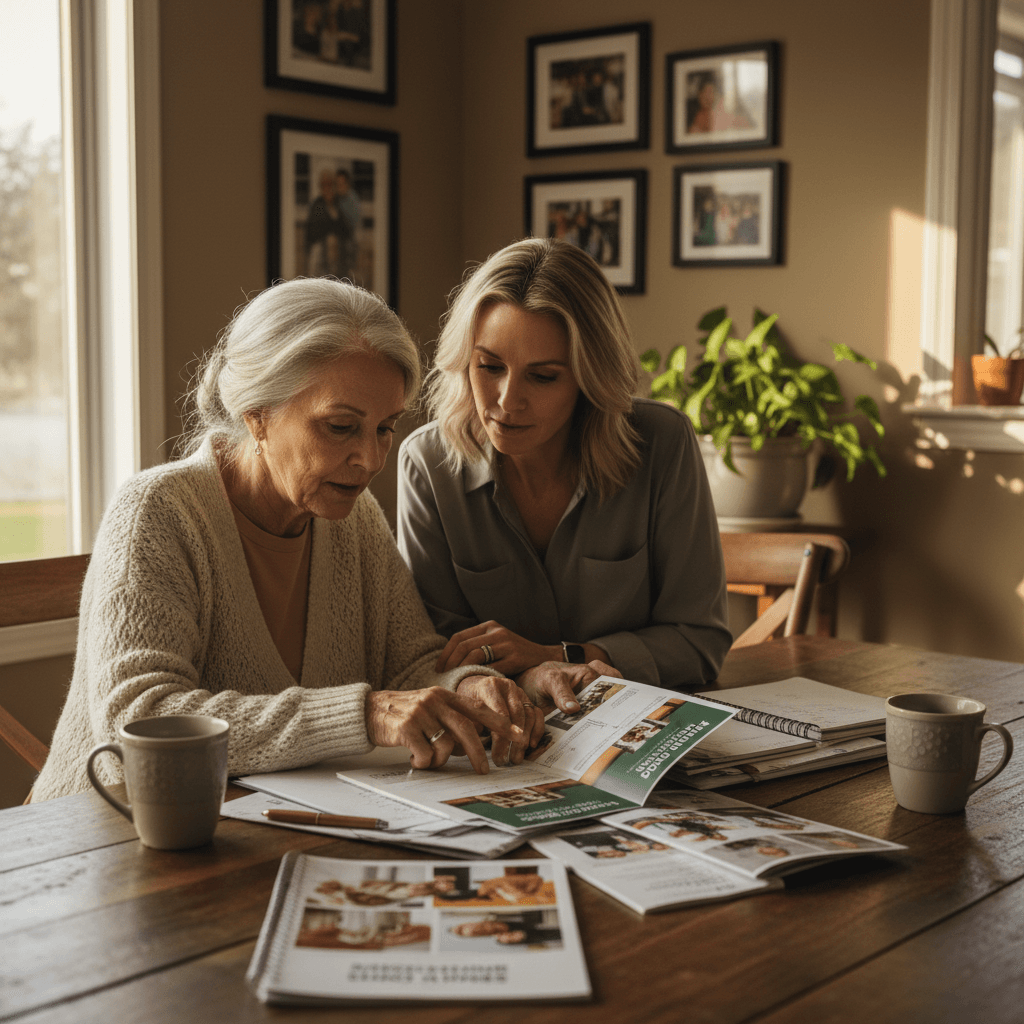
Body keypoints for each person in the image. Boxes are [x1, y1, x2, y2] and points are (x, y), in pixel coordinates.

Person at [32, 278, 599, 803]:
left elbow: (411, 664)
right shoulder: (157, 513)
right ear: (256, 415)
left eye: (384, 428)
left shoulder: (353, 518)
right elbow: (141, 719)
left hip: (260, 829)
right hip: (105, 836)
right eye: (340, 427)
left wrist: (473, 685)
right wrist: (365, 714)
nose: (371, 460)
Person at [396, 238, 731, 698]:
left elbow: (699, 641)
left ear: (590, 376)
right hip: (499, 734)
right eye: (490, 366)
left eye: (544, 376)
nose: (507, 401)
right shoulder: (427, 464)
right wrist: (531, 675)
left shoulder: (662, 443)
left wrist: (559, 654)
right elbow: (436, 655)